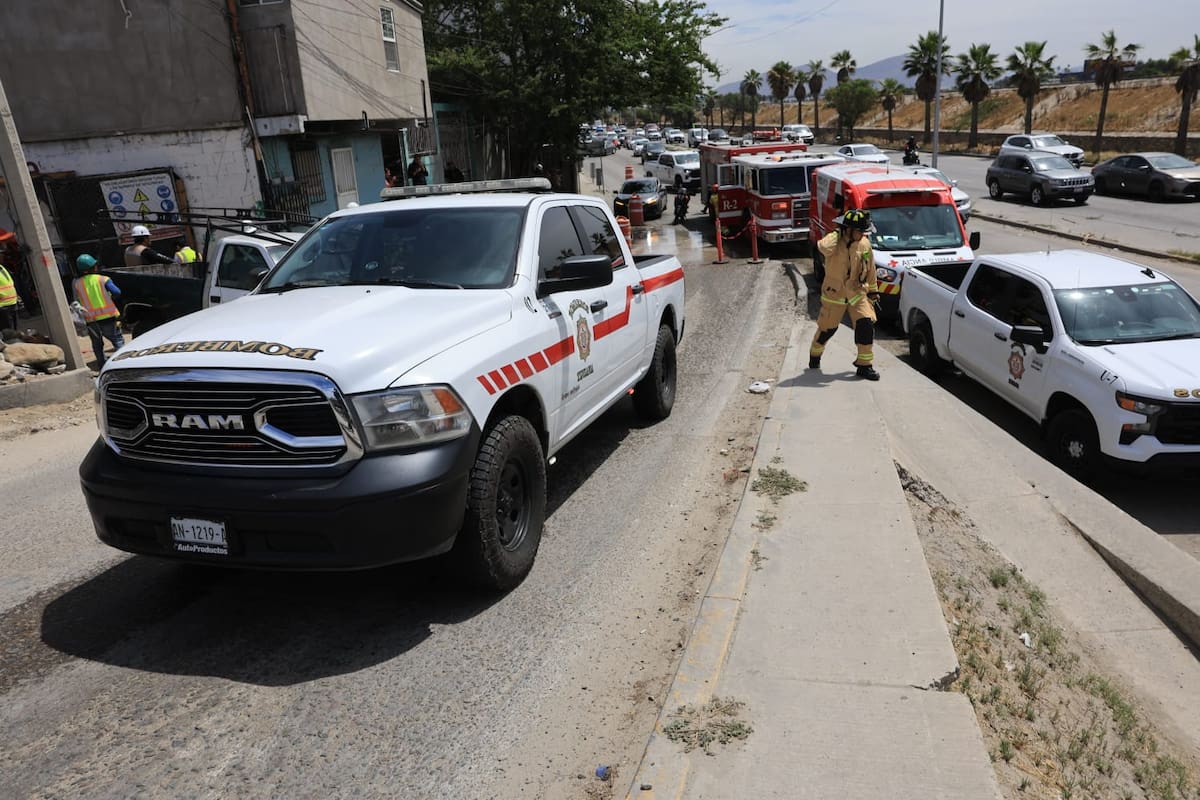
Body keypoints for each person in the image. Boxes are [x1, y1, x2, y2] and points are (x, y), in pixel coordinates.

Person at [808, 208, 881, 381]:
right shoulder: (834, 242)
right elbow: (822, 247)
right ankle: (815, 355)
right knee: (827, 330)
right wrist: (837, 232)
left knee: (866, 324)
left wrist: (873, 290)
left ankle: (865, 366)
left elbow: (870, 268)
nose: (863, 234)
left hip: (857, 294)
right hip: (835, 294)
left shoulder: (864, 244)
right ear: (848, 230)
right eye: (860, 230)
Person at [72, 254, 125, 370]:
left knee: (97, 344)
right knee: (117, 340)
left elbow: (76, 301)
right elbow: (117, 292)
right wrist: (110, 296)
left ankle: (102, 365)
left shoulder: (76, 283)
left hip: (90, 319)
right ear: (93, 267)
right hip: (108, 317)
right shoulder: (103, 279)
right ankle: (124, 363)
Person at [0, 258, 19, 331]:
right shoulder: (2, 268)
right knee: (12, 331)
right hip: (12, 301)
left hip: (3, 304)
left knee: (7, 333)